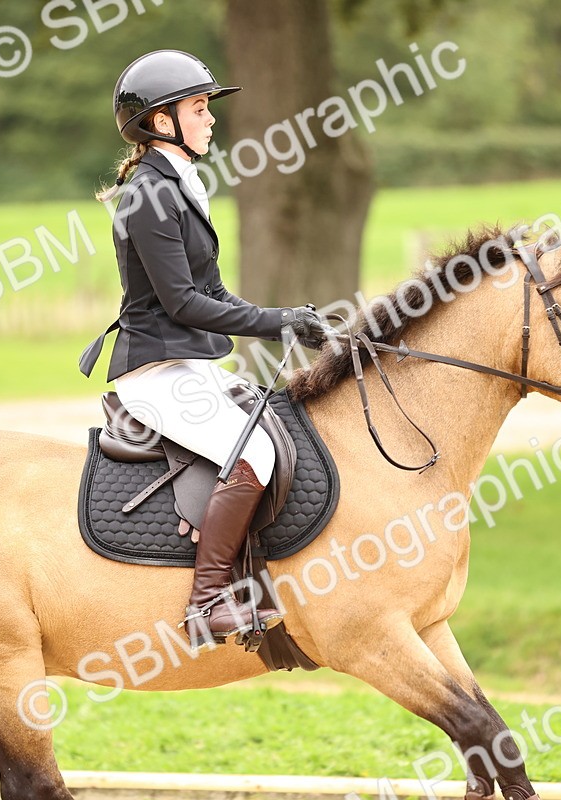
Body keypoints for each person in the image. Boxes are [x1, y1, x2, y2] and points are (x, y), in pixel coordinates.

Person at [78, 50, 328, 651]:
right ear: (161, 122)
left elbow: (212, 291)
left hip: (188, 363)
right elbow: (185, 304)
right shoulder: (148, 196)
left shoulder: (182, 185)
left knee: (281, 433)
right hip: (156, 369)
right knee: (258, 454)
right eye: (199, 108)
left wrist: (290, 316)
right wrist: (277, 322)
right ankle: (209, 600)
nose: (211, 119)